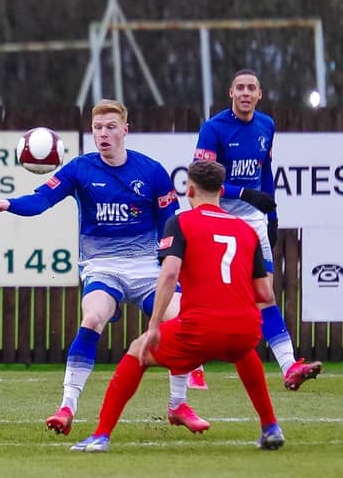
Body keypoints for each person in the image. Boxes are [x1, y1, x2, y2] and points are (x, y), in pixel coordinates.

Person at [0, 99, 208, 436]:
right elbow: (41, 200)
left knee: (180, 319)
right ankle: (67, 407)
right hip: (102, 266)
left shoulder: (152, 171)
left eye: (111, 127)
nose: (104, 134)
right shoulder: (79, 169)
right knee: (92, 318)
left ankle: (178, 405)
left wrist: (173, 267)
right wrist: (8, 204)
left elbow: (169, 226)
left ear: (125, 130)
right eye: (98, 128)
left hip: (146, 266)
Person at [71, 160, 285, 453]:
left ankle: (100, 436)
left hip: (202, 326)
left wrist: (155, 325)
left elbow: (170, 274)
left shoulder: (181, 222)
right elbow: (264, 292)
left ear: (190, 189)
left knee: (138, 350)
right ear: (222, 190)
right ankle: (271, 427)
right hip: (245, 326)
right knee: (244, 352)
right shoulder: (246, 231)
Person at [193, 69, 321, 390]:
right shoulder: (213, 129)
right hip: (217, 217)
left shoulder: (266, 125)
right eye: (240, 88)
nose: (246, 93)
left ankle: (289, 366)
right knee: (206, 293)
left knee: (265, 293)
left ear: (259, 95)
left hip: (253, 222)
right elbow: (200, 180)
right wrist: (242, 193)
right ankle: (192, 365)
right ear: (230, 93)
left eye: (252, 88)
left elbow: (265, 171)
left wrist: (272, 213)